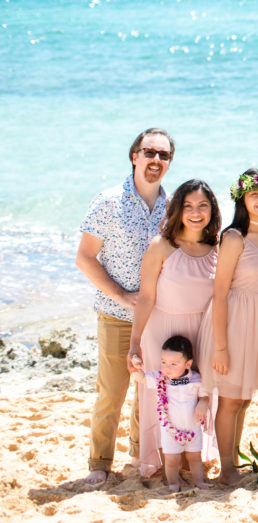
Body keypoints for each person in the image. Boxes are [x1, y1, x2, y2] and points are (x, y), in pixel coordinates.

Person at [77, 128, 174, 485]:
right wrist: (120, 294)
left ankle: (138, 452)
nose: (156, 160)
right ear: (135, 156)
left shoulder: (173, 207)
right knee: (111, 392)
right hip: (116, 315)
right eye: (150, 152)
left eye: (164, 155)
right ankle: (100, 462)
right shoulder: (108, 202)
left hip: (157, 318)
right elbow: (85, 258)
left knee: (148, 391)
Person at [199, 168, 258, 484]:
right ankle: (226, 470)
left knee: (245, 397)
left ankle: (232, 460)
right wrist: (220, 347)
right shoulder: (233, 238)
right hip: (234, 320)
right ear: (242, 199)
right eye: (255, 194)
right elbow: (220, 292)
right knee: (232, 398)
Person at [128, 179, 220, 479]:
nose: (195, 213)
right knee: (162, 396)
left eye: (202, 206)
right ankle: (163, 457)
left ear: (212, 210)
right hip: (163, 333)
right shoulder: (161, 246)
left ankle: (191, 453)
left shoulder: (217, 248)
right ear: (178, 210)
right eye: (188, 206)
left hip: (201, 334)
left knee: (196, 393)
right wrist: (134, 343)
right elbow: (146, 297)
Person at [142, 335, 210, 491]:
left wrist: (203, 403)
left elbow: (204, 396)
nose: (167, 368)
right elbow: (142, 378)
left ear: (188, 364)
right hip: (170, 430)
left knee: (195, 458)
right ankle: (173, 484)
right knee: (171, 460)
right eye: (164, 362)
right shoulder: (160, 378)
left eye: (173, 364)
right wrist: (135, 368)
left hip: (192, 428)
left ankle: (199, 482)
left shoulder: (196, 379)